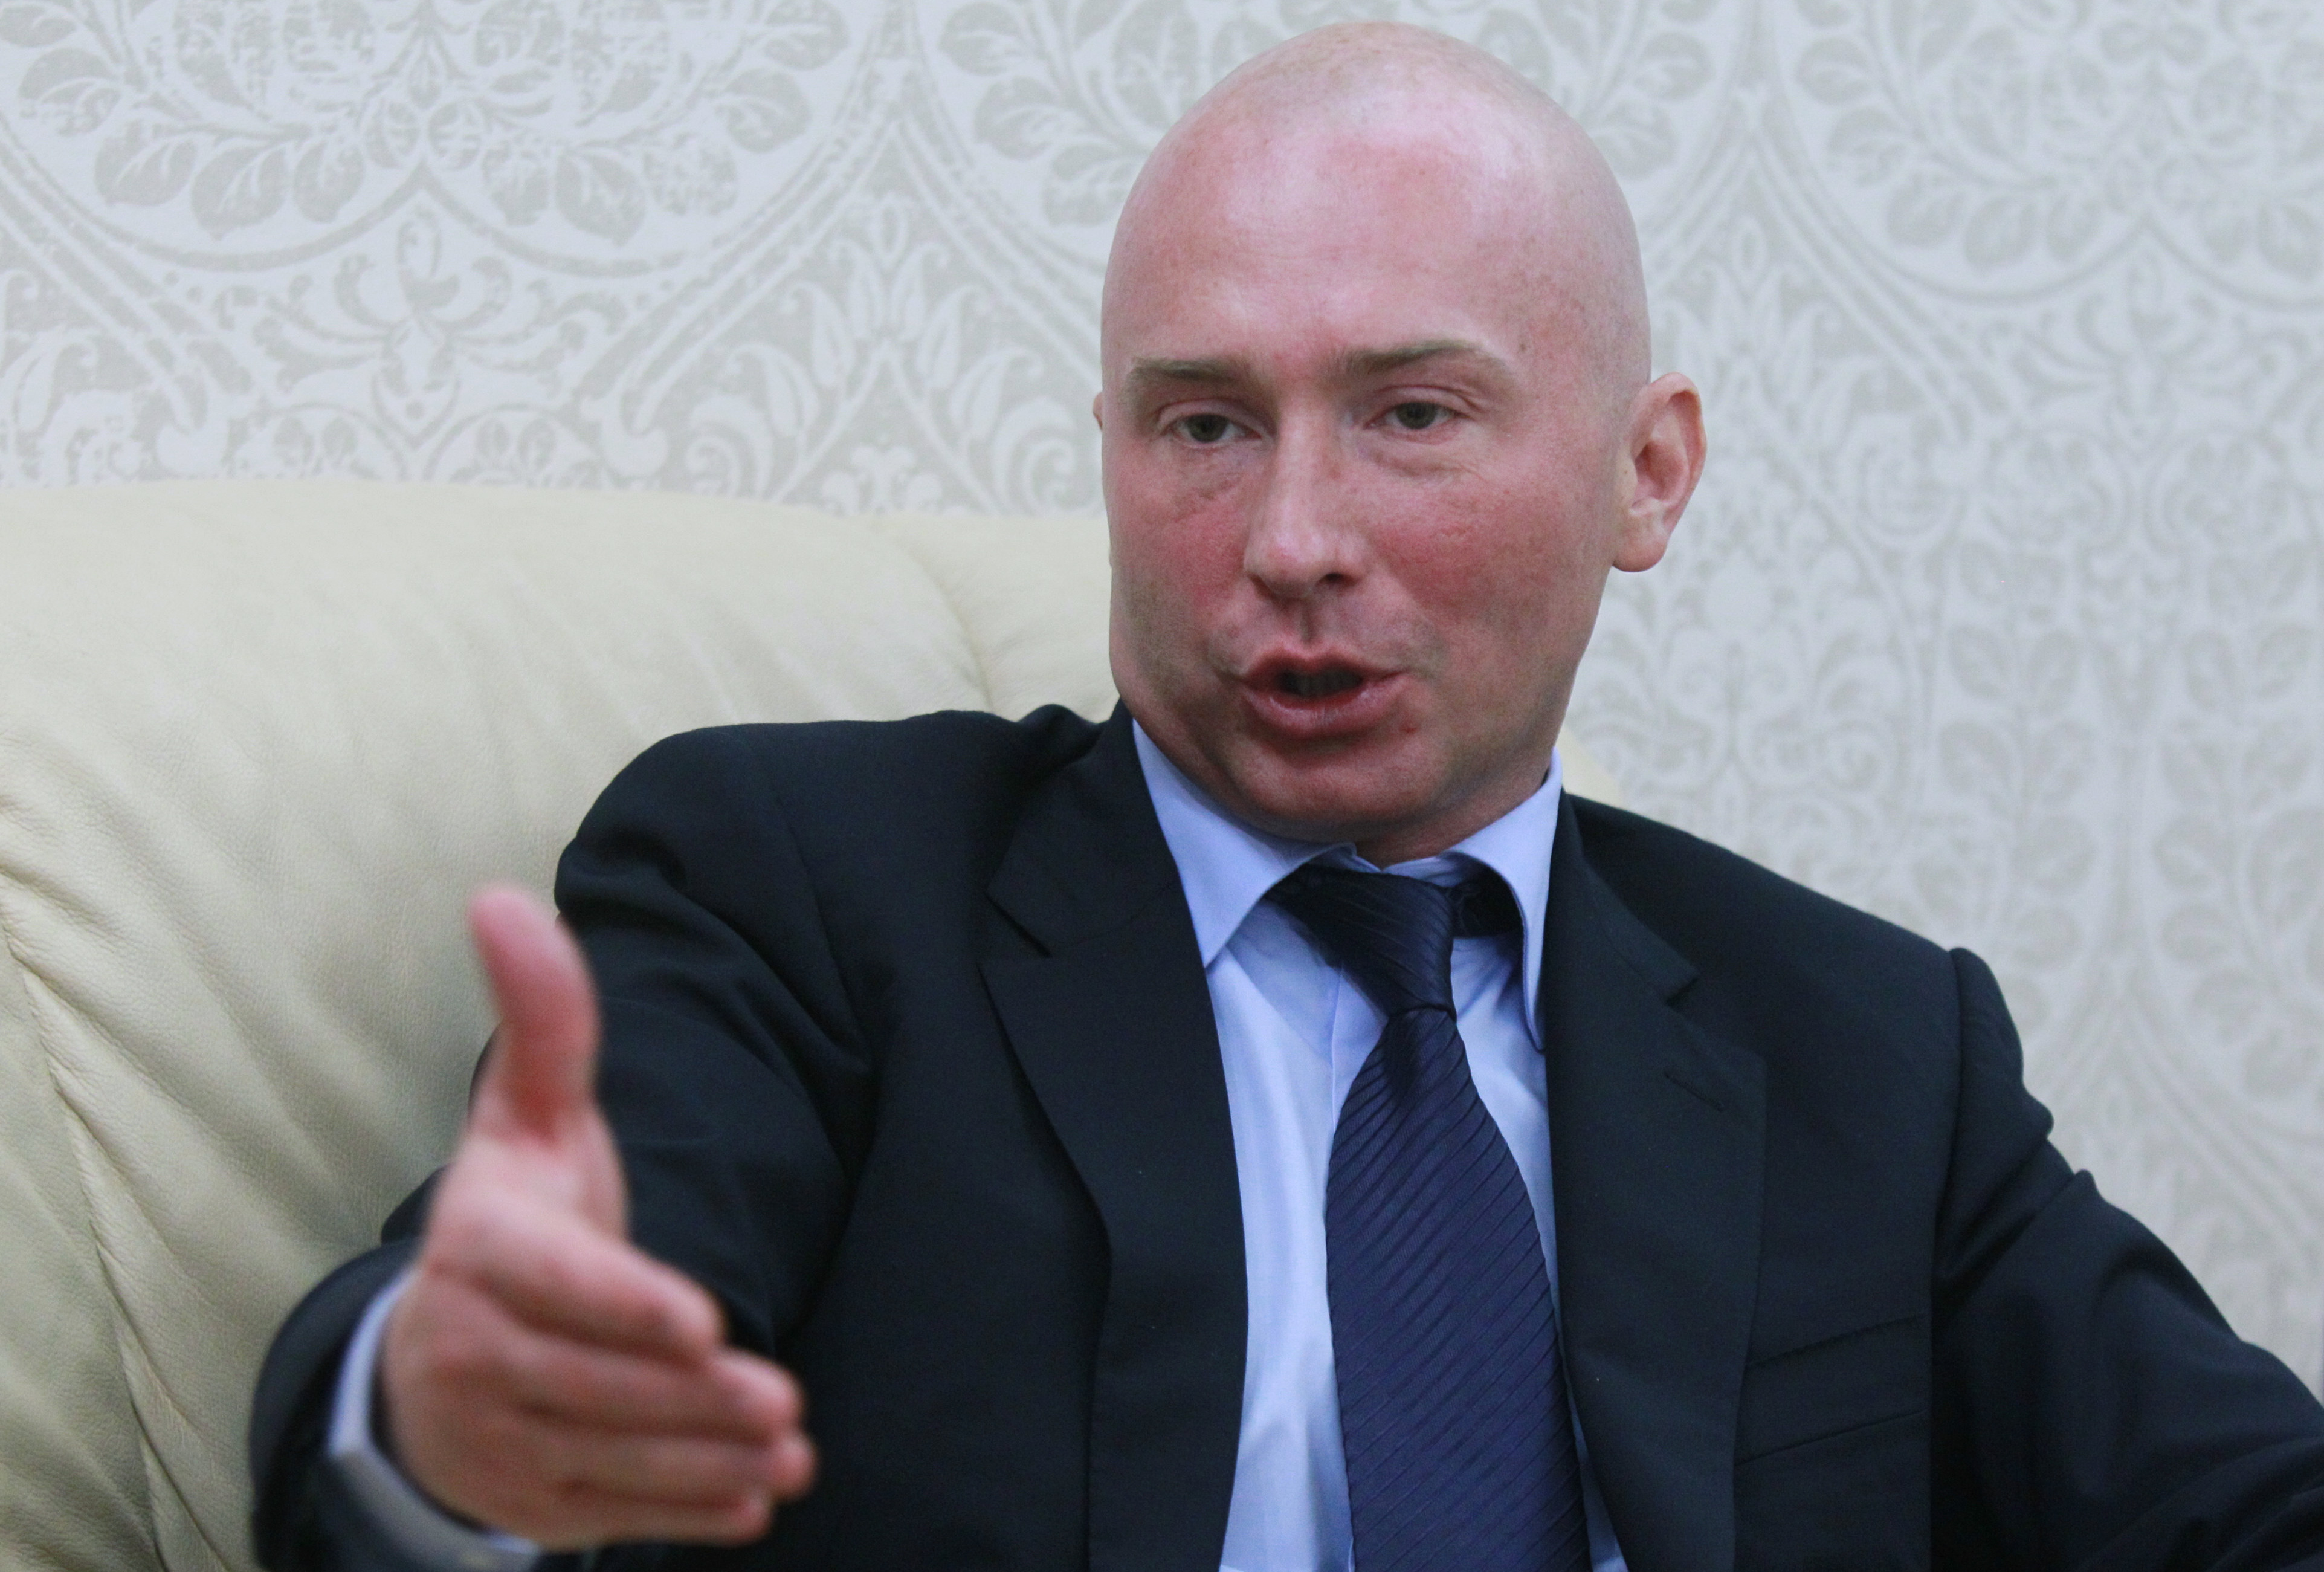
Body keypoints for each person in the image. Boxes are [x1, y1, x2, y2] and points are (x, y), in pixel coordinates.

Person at [250, 21, 2324, 1572]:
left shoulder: (1867, 1044)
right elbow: (475, 1371)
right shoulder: (802, 894)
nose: (1293, 538)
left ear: (1648, 472)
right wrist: (435, 1422)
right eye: (1205, 425)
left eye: (1412, 413)